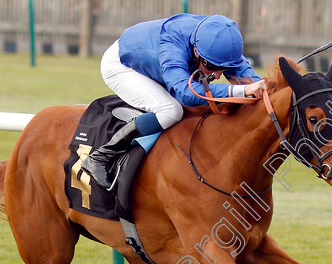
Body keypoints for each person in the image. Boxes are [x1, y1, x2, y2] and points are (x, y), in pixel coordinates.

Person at [81, 14, 266, 188]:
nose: (217, 75)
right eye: (211, 66)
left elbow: (246, 77)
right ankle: (101, 156)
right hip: (123, 66)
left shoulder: (216, 42)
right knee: (171, 110)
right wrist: (240, 90)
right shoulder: (172, 45)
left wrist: (264, 87)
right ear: (196, 50)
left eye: (223, 68)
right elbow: (185, 92)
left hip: (154, 60)